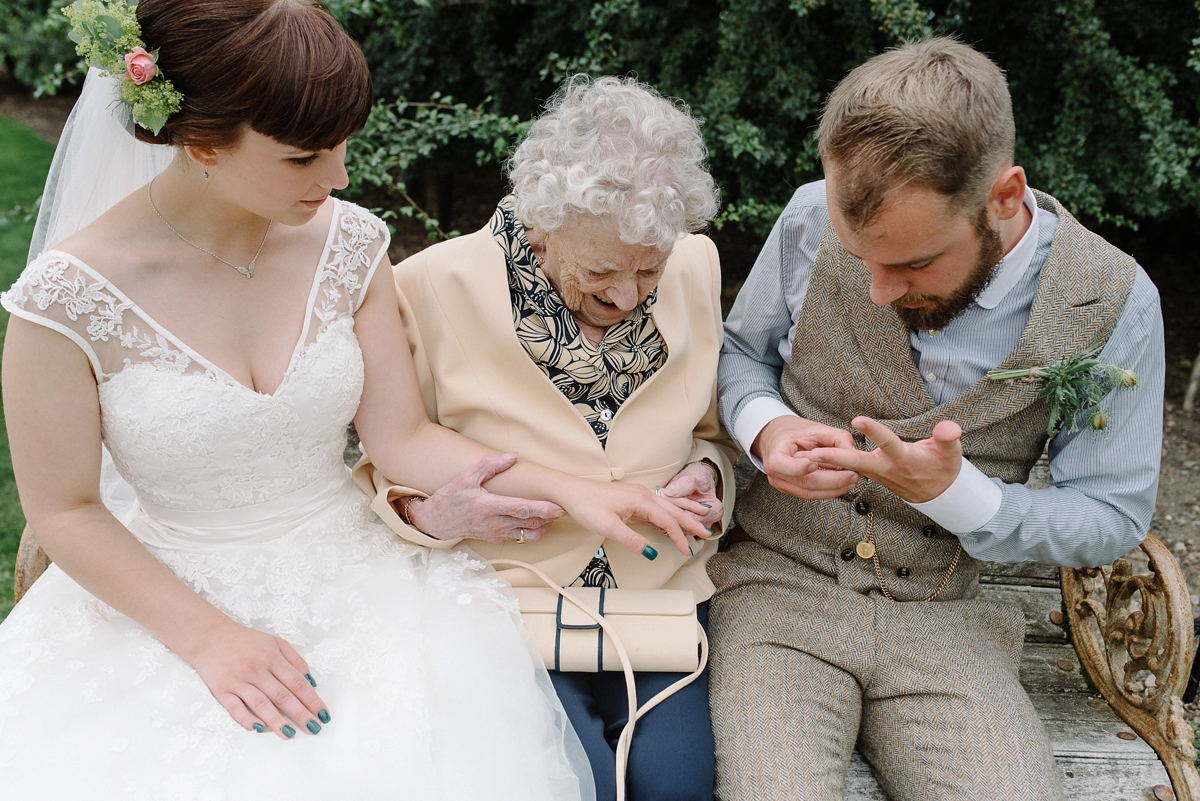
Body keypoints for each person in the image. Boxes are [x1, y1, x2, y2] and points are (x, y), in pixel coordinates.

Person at [0, 2, 710, 797]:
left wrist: (582, 490)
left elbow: (404, 441)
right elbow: (64, 511)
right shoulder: (66, 297)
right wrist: (210, 640)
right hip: (171, 596)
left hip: (358, 573)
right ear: (200, 143)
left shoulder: (350, 243)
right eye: (304, 157)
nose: (337, 177)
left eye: (342, 145)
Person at [709, 38, 1163, 801]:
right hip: (772, 590)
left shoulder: (1114, 299)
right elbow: (741, 354)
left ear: (1005, 197)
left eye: (913, 263)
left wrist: (962, 495)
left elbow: (1111, 515)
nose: (880, 290)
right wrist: (764, 426)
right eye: (863, 258)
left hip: (947, 616)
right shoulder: (805, 217)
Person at [354, 76, 733, 801]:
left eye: (647, 269)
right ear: (540, 223)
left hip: (659, 596)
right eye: (599, 271)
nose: (626, 294)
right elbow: (388, 466)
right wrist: (433, 516)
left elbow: (708, 434)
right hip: (505, 602)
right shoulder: (429, 286)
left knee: (677, 785)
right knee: (573, 782)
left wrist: (708, 475)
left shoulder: (695, 263)